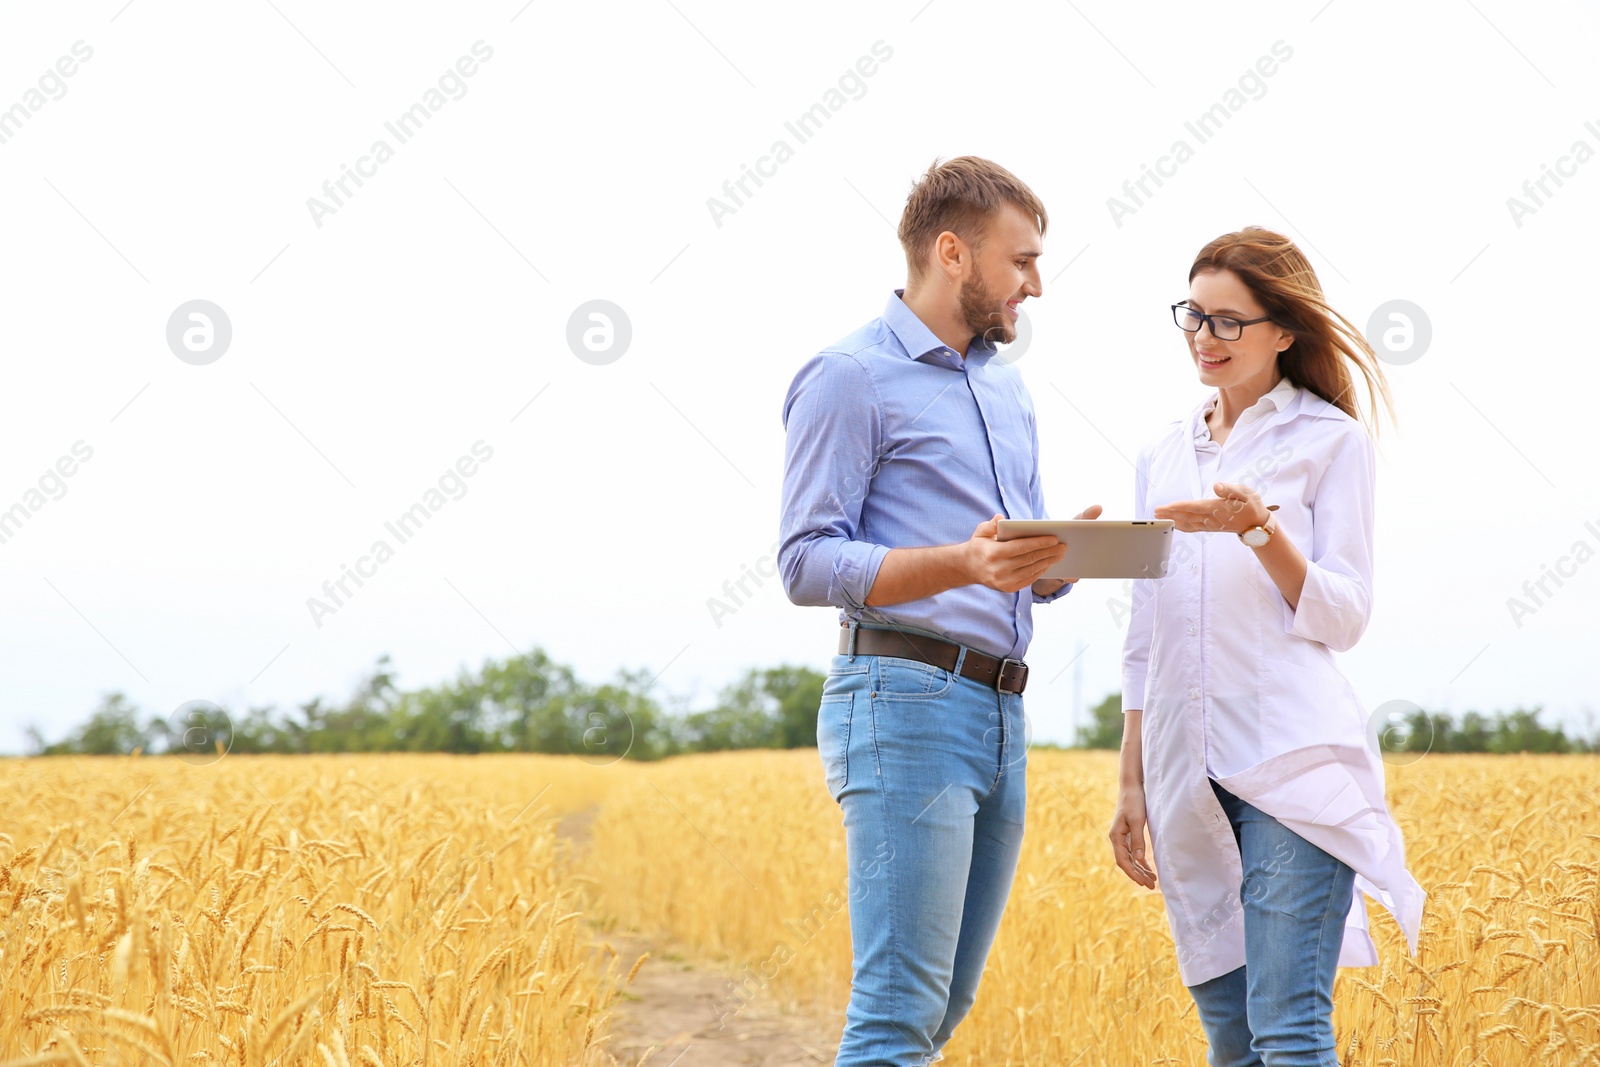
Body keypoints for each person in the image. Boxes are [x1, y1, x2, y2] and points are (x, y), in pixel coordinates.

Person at [779, 156, 1097, 1067]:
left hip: (1001, 708)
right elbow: (805, 561)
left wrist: (1055, 561)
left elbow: (1010, 564)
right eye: (1022, 261)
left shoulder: (1005, 386)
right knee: (895, 1014)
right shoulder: (850, 376)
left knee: (942, 1004)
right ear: (952, 251)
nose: (1035, 286)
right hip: (904, 699)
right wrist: (964, 561)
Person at [1109, 226, 1425, 1066]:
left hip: (1292, 765)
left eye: (1227, 322)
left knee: (1286, 1030)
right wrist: (1132, 774)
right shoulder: (1161, 453)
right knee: (1231, 1038)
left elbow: (1346, 613)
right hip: (1184, 774)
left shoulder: (1331, 441)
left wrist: (1258, 532)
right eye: (1193, 316)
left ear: (1284, 331)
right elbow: (1148, 629)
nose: (1203, 339)